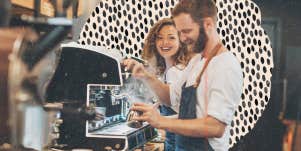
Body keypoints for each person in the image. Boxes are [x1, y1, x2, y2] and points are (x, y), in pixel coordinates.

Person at [123, 0, 243, 150]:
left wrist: (160, 121)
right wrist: (146, 76)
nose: (183, 38)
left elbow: (215, 127)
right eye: (179, 32)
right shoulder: (196, 62)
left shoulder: (225, 65)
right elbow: (171, 98)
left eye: (186, 31)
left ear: (208, 24)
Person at [141, 18, 189, 151]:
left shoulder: (175, 72)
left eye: (171, 38)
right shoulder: (168, 71)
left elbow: (187, 116)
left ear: (181, 42)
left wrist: (158, 120)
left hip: (178, 144)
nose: (164, 42)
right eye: (160, 38)